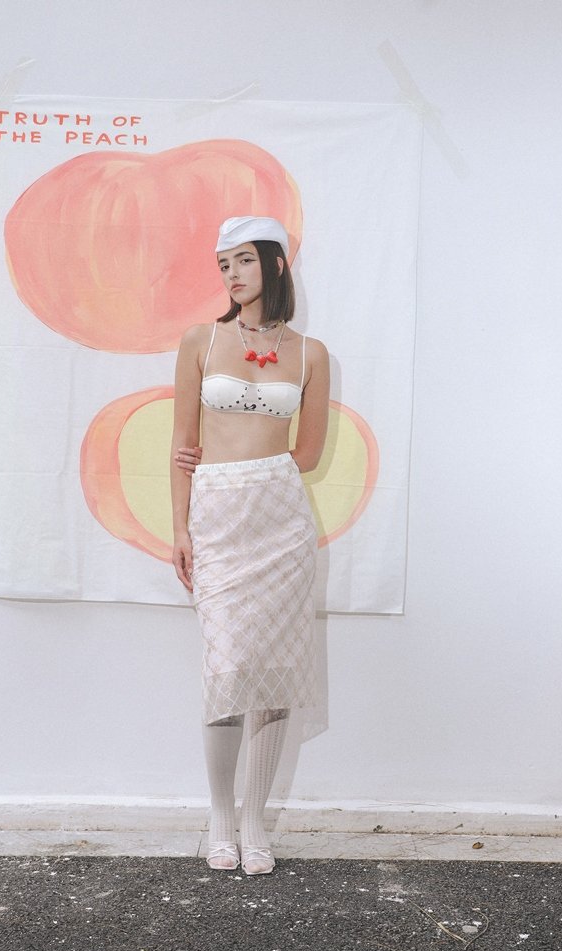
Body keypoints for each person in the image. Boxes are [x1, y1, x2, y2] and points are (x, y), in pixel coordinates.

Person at [170, 216, 330, 875]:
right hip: (216, 517)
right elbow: (182, 446)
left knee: (274, 677)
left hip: (282, 525)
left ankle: (255, 820)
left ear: (275, 264)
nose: (231, 274)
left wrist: (261, 478)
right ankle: (219, 814)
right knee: (228, 668)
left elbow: (308, 452)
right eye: (222, 264)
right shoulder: (200, 341)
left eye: (242, 260)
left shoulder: (310, 353)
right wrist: (180, 527)